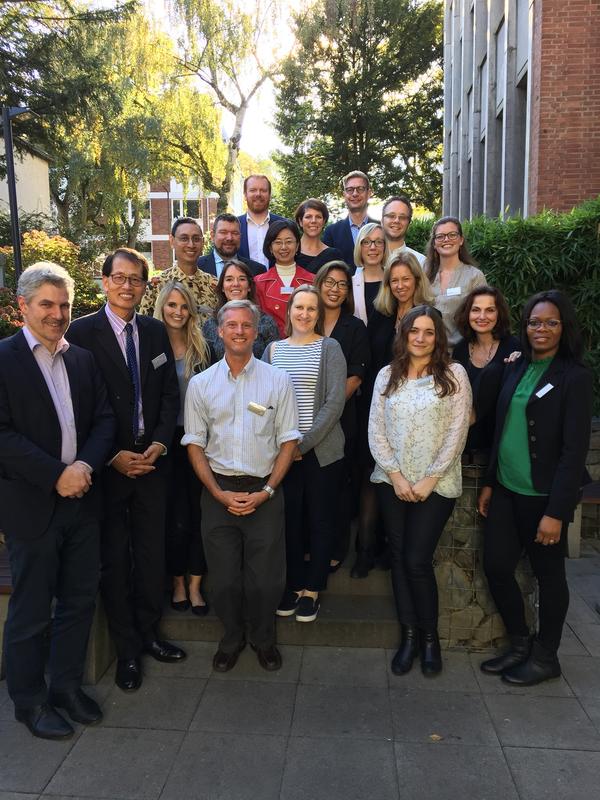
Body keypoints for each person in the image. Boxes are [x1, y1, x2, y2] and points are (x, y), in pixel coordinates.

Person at [0, 262, 115, 739]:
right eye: (46, 304)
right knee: (30, 610)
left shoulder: (81, 359)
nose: (57, 314)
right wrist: (55, 476)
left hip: (82, 503)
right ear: (23, 307)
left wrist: (83, 468)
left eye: (64, 305)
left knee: (77, 601)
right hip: (33, 507)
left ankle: (65, 687)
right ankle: (28, 702)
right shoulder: (4, 359)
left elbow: (105, 420)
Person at [67, 247, 184, 694]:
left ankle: (151, 632)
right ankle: (127, 649)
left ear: (145, 284)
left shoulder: (155, 332)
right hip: (108, 465)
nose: (127, 286)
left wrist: (157, 443)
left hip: (152, 461)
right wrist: (112, 454)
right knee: (115, 559)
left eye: (136, 279)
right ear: (104, 281)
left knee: (153, 554)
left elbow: (169, 394)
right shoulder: (80, 333)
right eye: (120, 278)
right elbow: (78, 405)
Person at [478, 290, 592, 686]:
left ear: (564, 327)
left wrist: (556, 513)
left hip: (544, 497)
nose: (540, 329)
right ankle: (520, 643)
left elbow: (574, 451)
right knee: (496, 566)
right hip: (507, 490)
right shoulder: (516, 365)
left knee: (550, 577)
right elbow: (501, 431)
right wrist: (491, 483)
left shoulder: (574, 376)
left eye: (550, 322)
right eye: (534, 322)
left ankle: (547, 656)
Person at [182, 299, 300, 672]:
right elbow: (195, 444)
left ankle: (263, 639)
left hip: (264, 490)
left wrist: (266, 491)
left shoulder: (277, 379)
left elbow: (289, 442)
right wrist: (218, 493)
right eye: (231, 325)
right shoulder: (201, 385)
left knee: (266, 580)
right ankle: (231, 638)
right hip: (217, 492)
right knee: (224, 581)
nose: (238, 331)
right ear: (219, 331)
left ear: (256, 330)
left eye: (246, 325)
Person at [369, 305, 471, 677]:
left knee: (416, 559)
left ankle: (430, 640)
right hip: (392, 482)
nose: (420, 338)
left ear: (438, 336)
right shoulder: (386, 375)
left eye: (429, 332)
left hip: (437, 484)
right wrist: (396, 477)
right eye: (414, 331)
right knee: (399, 558)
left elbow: (457, 433)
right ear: (404, 334)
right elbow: (375, 431)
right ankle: (408, 637)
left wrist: (428, 479)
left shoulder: (454, 375)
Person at [264, 285, 346, 623]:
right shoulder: (272, 350)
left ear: (319, 314)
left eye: (312, 309)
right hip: (282, 451)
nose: (305, 313)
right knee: (290, 520)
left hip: (320, 450)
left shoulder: (330, 348)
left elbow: (334, 402)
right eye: (299, 307)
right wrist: (282, 445)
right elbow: (265, 402)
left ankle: (313, 588)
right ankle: (295, 583)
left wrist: (303, 444)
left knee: (320, 518)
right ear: (289, 311)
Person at [352, 252, 434, 579]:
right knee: (372, 476)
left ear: (416, 281)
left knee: (399, 476)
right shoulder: (381, 315)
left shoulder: (430, 317)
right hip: (376, 406)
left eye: (406, 279)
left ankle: (389, 548)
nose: (400, 285)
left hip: (414, 414)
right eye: (394, 280)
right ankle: (364, 549)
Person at [154, 281, 211, 615]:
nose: (177, 311)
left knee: (199, 513)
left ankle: (195, 585)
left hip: (200, 441)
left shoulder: (202, 349)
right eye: (171, 305)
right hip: (165, 444)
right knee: (174, 518)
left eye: (183, 306)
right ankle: (176, 582)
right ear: (162, 307)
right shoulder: (150, 344)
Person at [314, 261, 370, 570]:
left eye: (342, 285)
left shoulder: (355, 327)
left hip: (341, 420)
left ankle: (337, 548)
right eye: (330, 282)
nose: (335, 289)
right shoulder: (307, 321)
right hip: (305, 421)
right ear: (319, 284)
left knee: (339, 486)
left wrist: (329, 407)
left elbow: (356, 375)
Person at [453, 286, 520, 462]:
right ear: (468, 313)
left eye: (490, 310)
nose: (482, 317)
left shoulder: (514, 348)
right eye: (476, 310)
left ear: (499, 315)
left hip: (502, 436)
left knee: (493, 372)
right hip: (466, 438)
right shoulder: (460, 349)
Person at [139, 217, 218, 320]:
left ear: (202, 242)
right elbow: (144, 327)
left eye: (196, 239)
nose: (191, 244)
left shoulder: (214, 285)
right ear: (172, 241)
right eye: (184, 239)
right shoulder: (156, 285)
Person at [425, 216, 486, 348]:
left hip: (462, 353)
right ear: (434, 244)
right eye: (440, 236)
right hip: (427, 352)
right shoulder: (424, 276)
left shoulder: (474, 277)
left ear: (461, 240)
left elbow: (484, 316)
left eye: (452, 235)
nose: (446, 239)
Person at [202, 258, 279, 360]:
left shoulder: (266, 322)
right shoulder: (210, 324)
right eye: (229, 279)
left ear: (249, 286)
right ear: (222, 287)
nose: (236, 284)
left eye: (242, 279)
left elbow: (275, 361)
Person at [254, 219, 315, 337]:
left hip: (307, 346)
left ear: (297, 245)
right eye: (277, 242)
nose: (283, 247)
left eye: (289, 242)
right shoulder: (258, 283)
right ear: (270, 247)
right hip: (272, 348)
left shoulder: (313, 281)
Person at [322, 171, 377, 271]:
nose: (355, 194)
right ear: (344, 195)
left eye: (360, 189)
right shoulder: (331, 232)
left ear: (369, 193)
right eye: (350, 190)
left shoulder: (381, 229)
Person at [236, 175, 285, 267]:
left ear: (269, 195)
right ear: (245, 195)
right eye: (253, 190)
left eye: (263, 190)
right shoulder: (235, 226)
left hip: (277, 280)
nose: (258, 194)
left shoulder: (283, 225)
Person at [198, 213, 266, 278]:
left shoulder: (257, 270)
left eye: (235, 233)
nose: (229, 238)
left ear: (240, 236)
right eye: (223, 232)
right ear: (212, 236)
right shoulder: (196, 266)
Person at [351, 222, 389, 324]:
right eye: (366, 242)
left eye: (379, 242)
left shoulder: (394, 280)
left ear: (385, 247)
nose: (373, 247)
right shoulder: (350, 285)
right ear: (360, 246)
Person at [293, 198, 344, 273]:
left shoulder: (334, 256)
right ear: (300, 221)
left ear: (323, 222)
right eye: (308, 217)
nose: (313, 221)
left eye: (318, 217)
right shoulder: (290, 251)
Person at [381, 195, 426, 266]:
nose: (396, 220)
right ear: (382, 221)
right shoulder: (368, 258)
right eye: (391, 216)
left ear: (409, 224)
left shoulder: (420, 262)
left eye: (402, 217)